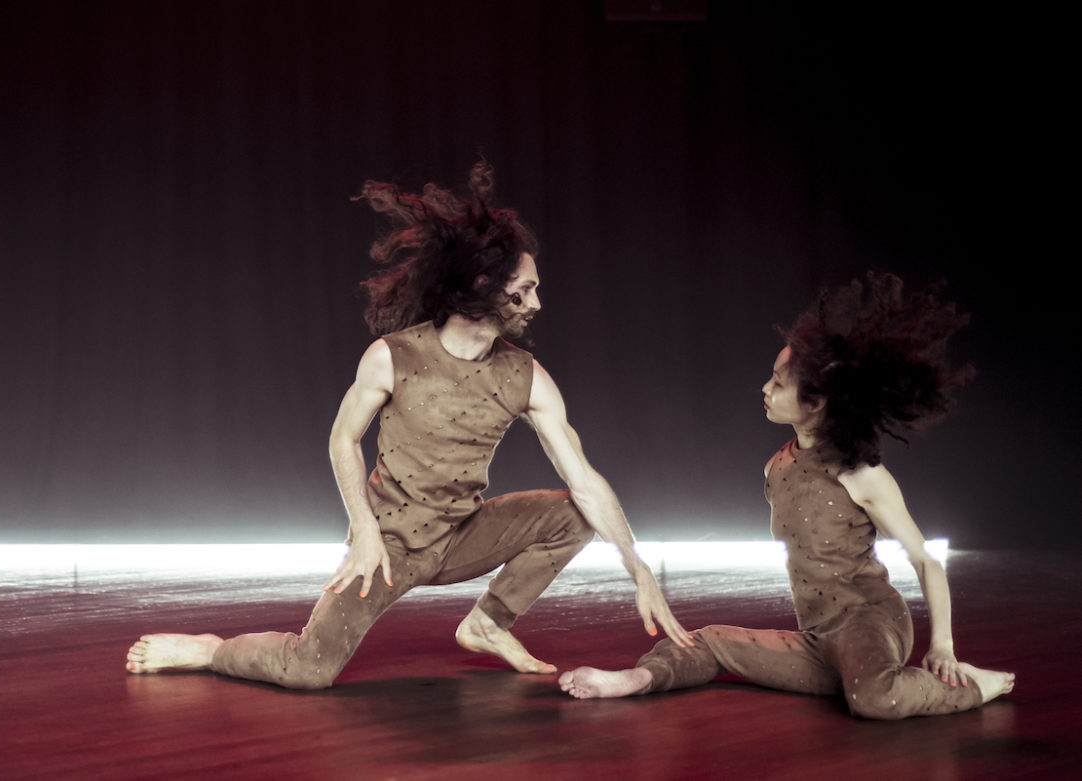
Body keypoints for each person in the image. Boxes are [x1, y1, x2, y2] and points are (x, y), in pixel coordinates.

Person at [125, 161, 688, 689]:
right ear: (481, 286)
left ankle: (488, 623)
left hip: (462, 535)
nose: (536, 302)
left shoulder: (528, 376)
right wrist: (365, 533)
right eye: (524, 289)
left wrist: (638, 566)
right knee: (308, 670)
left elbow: (584, 479)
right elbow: (343, 438)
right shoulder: (392, 356)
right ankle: (211, 651)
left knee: (575, 513)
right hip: (389, 546)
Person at [559, 273, 1015, 718]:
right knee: (708, 641)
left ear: (816, 402)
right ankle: (636, 679)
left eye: (779, 383)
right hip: (817, 638)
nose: (765, 388)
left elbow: (925, 560)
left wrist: (943, 646)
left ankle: (974, 686)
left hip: (869, 622)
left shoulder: (860, 473)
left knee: (875, 698)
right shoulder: (776, 467)